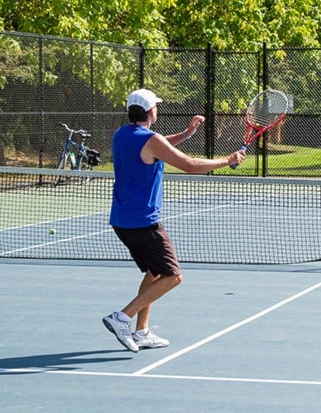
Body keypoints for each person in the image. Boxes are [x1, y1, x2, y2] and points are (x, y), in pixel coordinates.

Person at [103, 88, 245, 352]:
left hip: (122, 220)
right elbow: (189, 164)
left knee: (154, 272)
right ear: (151, 112)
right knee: (173, 276)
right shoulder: (150, 139)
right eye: (156, 106)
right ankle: (122, 317)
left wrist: (185, 135)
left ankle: (142, 332)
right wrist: (228, 160)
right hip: (144, 222)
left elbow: (155, 146)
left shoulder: (122, 134)